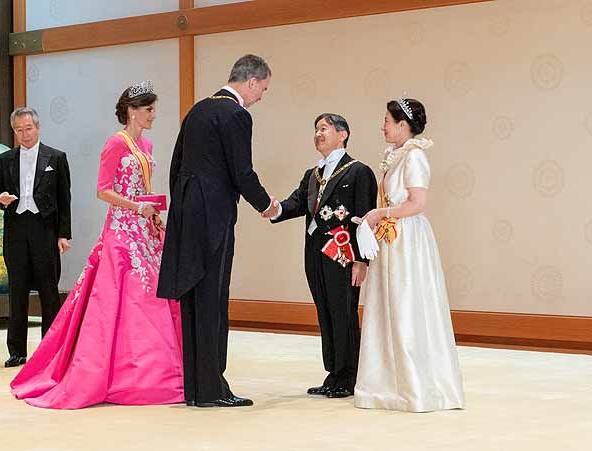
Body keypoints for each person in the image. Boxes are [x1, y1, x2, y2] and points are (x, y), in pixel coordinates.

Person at [10, 81, 184, 409]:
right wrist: (136, 207)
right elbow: (103, 190)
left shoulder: (145, 144)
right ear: (132, 111)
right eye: (149, 110)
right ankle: (125, 371)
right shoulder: (115, 144)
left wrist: (151, 212)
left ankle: (155, 369)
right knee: (124, 298)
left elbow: (141, 187)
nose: (153, 115)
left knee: (151, 295)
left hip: (144, 230)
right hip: (121, 232)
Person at [158, 55, 278, 408]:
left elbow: (176, 165)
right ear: (252, 81)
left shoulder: (197, 110)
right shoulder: (236, 114)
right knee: (213, 300)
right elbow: (241, 172)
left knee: (194, 300)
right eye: (264, 89)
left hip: (187, 212)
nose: (261, 97)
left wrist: (181, 210)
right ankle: (212, 390)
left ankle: (195, 387)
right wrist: (266, 205)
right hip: (214, 217)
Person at [354, 96, 465, 412]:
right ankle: (388, 382)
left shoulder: (415, 157)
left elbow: (417, 203)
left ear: (403, 125)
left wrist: (379, 213)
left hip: (407, 237)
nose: (383, 126)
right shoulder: (397, 156)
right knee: (389, 303)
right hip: (394, 236)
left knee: (405, 302)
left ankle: (415, 386)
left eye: (387, 121)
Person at [266, 113, 377, 398]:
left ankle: (349, 376)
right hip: (315, 253)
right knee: (325, 313)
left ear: (343, 134)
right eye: (316, 129)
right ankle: (333, 373)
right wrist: (274, 209)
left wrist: (361, 260)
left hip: (342, 254)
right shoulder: (312, 174)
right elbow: (296, 203)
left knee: (343, 313)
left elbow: (364, 218)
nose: (318, 133)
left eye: (324, 128)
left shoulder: (358, 171)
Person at [0, 107, 72, 368]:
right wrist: (0, 200)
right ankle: (17, 351)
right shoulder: (4, 160)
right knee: (17, 291)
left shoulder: (56, 158)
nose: (24, 134)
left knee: (49, 292)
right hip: (15, 229)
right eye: (19, 130)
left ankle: (50, 350)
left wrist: (63, 235)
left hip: (44, 229)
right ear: (14, 132)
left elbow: (64, 200)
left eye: (28, 128)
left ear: (38, 127)